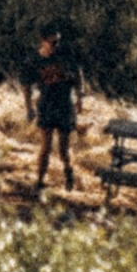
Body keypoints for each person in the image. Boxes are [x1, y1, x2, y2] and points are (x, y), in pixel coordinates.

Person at [31, 27, 83, 192]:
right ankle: (40, 180)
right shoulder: (36, 60)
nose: (56, 45)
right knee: (45, 147)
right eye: (53, 42)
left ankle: (69, 175)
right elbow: (26, 82)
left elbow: (78, 75)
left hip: (64, 105)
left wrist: (80, 96)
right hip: (46, 105)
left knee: (64, 149)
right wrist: (28, 106)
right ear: (43, 41)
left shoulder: (65, 56)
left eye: (58, 42)